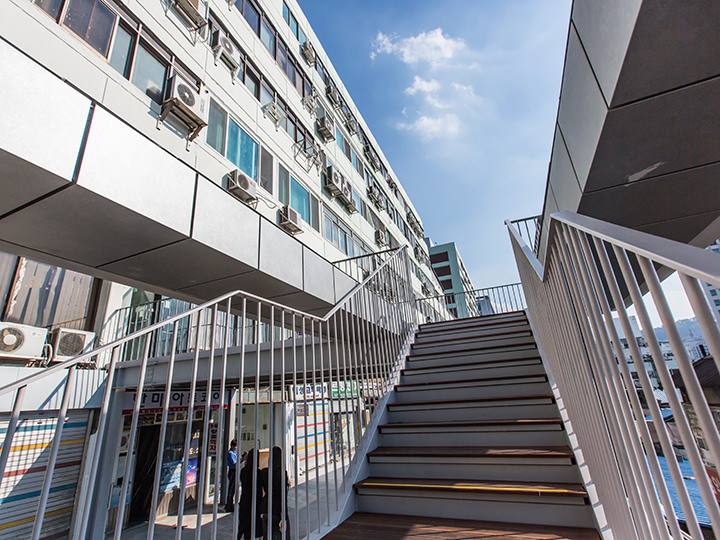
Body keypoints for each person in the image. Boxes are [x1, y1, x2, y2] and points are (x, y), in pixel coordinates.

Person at [260, 446, 290, 540]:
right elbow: (283, 496)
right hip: (277, 510)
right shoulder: (282, 473)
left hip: (266, 508)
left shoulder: (264, 472)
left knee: (266, 535)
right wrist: (284, 516)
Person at [238, 449, 263, 539]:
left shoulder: (243, 471)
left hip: (245, 501)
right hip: (255, 502)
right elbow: (260, 489)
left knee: (244, 526)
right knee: (254, 526)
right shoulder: (258, 473)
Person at [225, 439, 238, 512]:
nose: (236, 448)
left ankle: (230, 504)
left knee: (233, 488)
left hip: (234, 470)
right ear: (232, 446)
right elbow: (234, 463)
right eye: (235, 446)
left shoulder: (234, 452)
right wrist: (241, 460)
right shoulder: (231, 453)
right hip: (232, 471)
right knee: (231, 488)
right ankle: (229, 505)